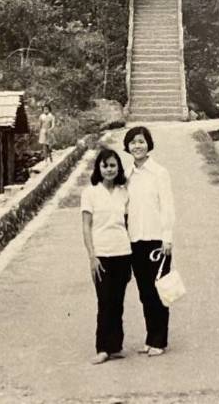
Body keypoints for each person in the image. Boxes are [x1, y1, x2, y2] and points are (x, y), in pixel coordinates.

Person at [123, 125, 175, 357]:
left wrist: (167, 237)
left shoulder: (159, 173)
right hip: (135, 239)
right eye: (133, 142)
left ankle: (159, 340)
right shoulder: (127, 176)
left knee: (159, 291)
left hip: (157, 240)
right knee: (144, 292)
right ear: (127, 147)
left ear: (149, 144)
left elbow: (167, 206)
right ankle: (150, 337)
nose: (137, 146)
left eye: (141, 142)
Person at [80, 147, 132, 365]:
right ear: (98, 168)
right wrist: (92, 256)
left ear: (118, 168)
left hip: (123, 252)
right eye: (105, 166)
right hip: (101, 254)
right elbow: (86, 226)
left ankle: (116, 346)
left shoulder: (124, 192)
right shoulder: (90, 193)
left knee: (118, 302)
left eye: (113, 165)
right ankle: (102, 348)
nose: (109, 169)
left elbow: (128, 223)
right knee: (104, 301)